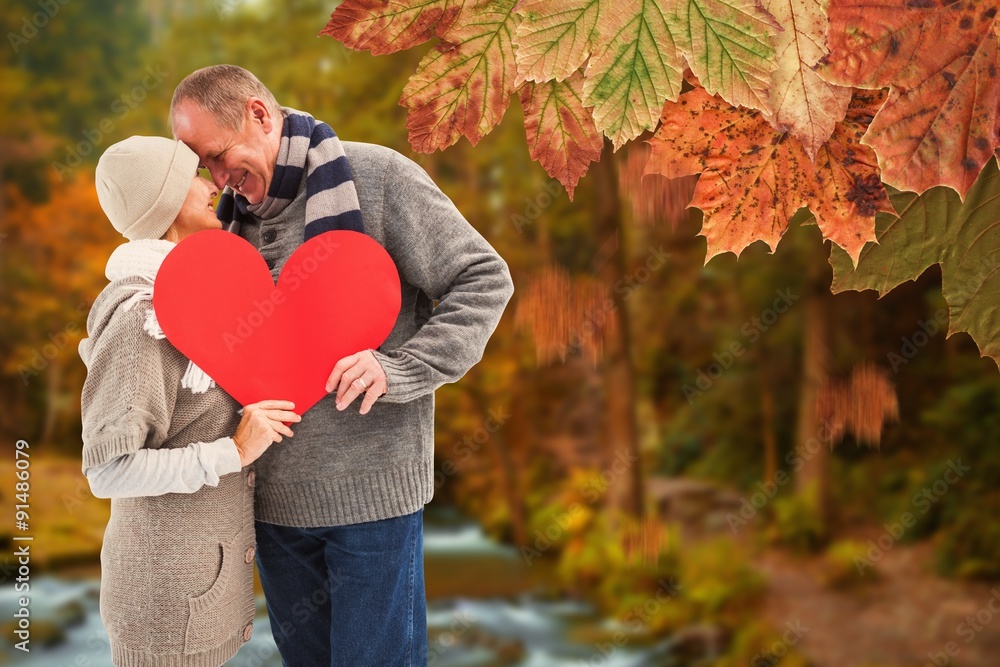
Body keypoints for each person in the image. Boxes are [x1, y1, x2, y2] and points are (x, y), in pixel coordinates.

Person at [169, 64, 515, 666]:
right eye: (206, 166)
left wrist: (400, 368)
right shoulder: (227, 227)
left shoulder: (377, 178)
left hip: (372, 502)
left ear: (259, 113)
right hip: (273, 509)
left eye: (221, 155)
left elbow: (483, 280)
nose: (220, 179)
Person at [79, 135, 301, 666]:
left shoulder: (196, 300)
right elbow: (108, 470)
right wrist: (234, 452)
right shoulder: (142, 316)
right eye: (193, 176)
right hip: (163, 609)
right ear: (164, 203)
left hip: (202, 596)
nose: (213, 185)